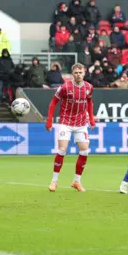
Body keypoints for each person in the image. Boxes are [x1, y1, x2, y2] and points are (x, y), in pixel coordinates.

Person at [45, 63, 95, 193]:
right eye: (76, 72)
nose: (78, 74)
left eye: (81, 72)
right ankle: (54, 181)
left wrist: (91, 119)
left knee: (85, 151)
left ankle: (76, 181)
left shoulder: (89, 87)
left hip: (81, 123)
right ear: (72, 73)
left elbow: (89, 102)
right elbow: (53, 102)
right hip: (65, 122)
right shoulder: (65, 87)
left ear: (84, 73)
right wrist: (49, 120)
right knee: (62, 149)